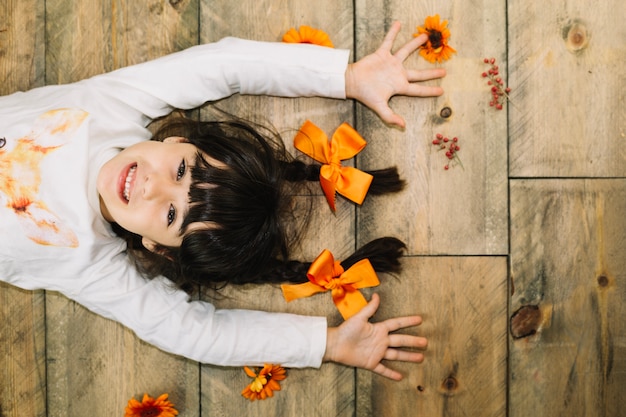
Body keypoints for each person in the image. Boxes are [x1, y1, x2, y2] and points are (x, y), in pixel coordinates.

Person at [0, 22, 445, 381]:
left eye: (172, 215)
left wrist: (325, 344)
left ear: (157, 247)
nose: (153, 187)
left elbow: (200, 334)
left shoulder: (95, 267)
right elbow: (223, 64)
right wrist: (344, 77)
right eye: (181, 171)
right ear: (178, 139)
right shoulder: (112, 110)